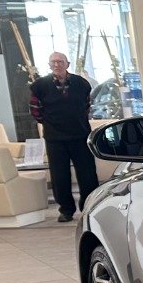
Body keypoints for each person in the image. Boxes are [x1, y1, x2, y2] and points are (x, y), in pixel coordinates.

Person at [29, 53, 97, 222]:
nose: (57, 65)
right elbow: (35, 111)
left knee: (87, 173)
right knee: (59, 176)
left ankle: (89, 207)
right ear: (49, 65)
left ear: (67, 64)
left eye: (60, 62)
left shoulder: (81, 83)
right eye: (53, 62)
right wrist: (51, 123)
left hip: (80, 134)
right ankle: (66, 210)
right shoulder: (39, 86)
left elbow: (86, 106)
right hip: (55, 138)